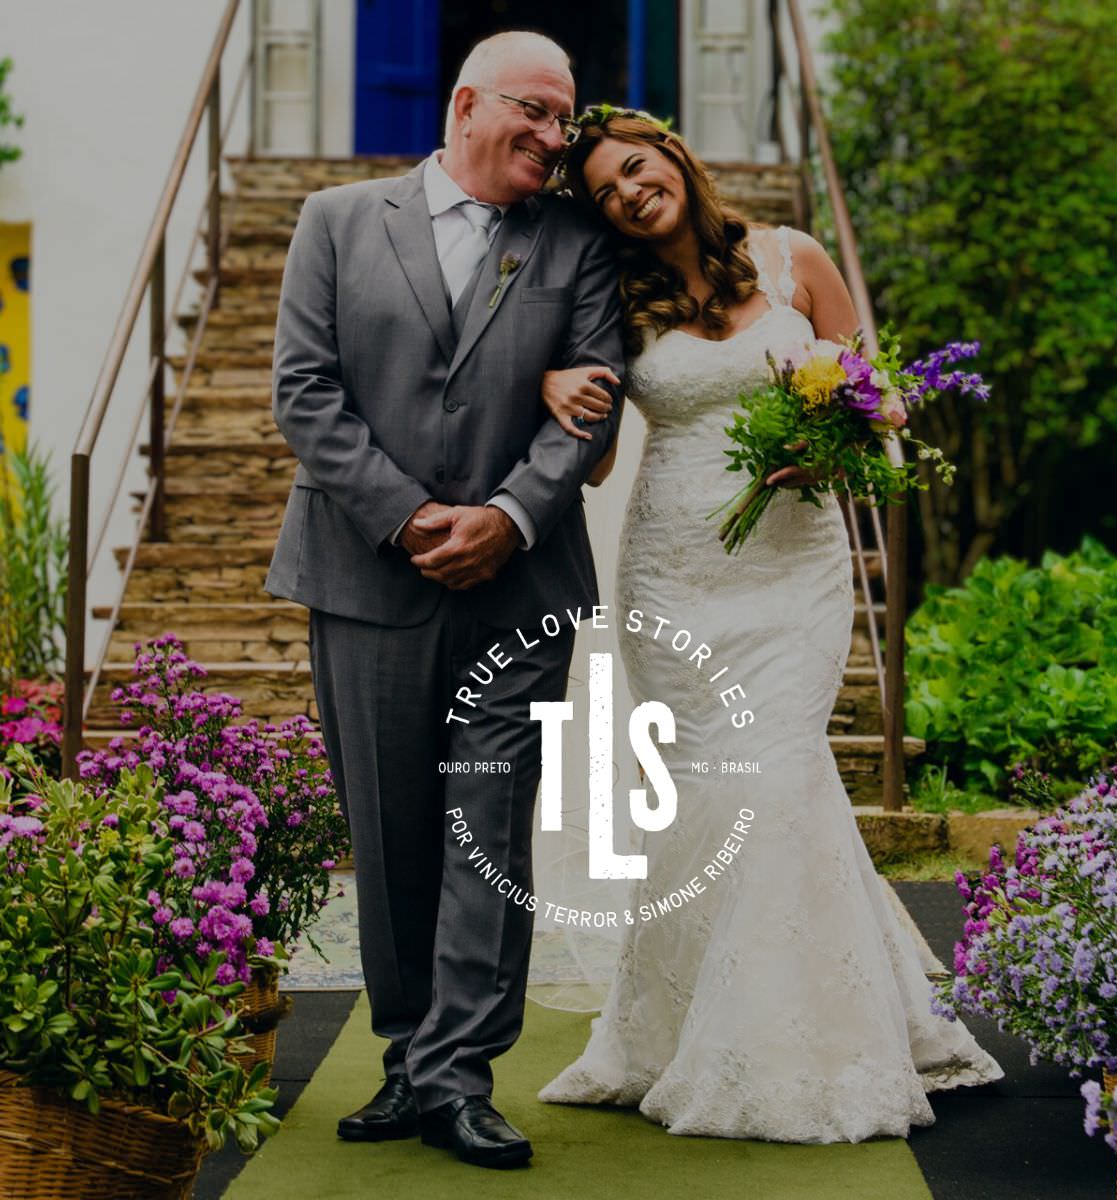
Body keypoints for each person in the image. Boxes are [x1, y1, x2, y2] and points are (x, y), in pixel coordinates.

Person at [535, 109, 1003, 1142]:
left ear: (673, 155)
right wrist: (548, 380)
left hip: (794, 570)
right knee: (703, 792)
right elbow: (598, 460)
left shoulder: (794, 258)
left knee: (780, 772)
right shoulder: (616, 297)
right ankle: (679, 1029)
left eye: (636, 168)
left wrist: (833, 443)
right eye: (606, 193)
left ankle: (803, 1041)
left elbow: (882, 406)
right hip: (672, 575)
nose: (629, 195)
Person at [265, 35, 623, 1169]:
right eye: (537, 112)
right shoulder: (334, 220)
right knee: (392, 831)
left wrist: (508, 517)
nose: (555, 139)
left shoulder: (578, 241)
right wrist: (410, 516)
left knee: (486, 826)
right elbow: (303, 390)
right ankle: (406, 1056)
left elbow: (596, 402)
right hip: (367, 575)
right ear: (466, 104)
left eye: (565, 121)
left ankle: (461, 1074)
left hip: (521, 586)